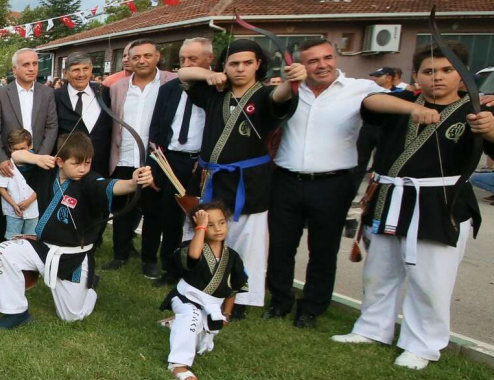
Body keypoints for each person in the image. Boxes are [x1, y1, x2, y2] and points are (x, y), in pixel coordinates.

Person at [333, 41, 494, 369]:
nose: (438, 78)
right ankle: (373, 328)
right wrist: (412, 109)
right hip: (391, 197)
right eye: (429, 71)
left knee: (430, 279)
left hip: (440, 201)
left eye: (447, 70)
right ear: (416, 75)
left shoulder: (474, 110)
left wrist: (491, 128)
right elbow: (371, 103)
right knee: (380, 271)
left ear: (463, 76)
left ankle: (423, 344)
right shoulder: (402, 102)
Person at [174, 40, 304, 318]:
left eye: (247, 63)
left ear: (258, 64)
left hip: (249, 181)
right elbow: (183, 75)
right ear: (224, 66)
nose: (240, 69)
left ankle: (238, 298)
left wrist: (291, 82)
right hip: (211, 177)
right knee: (201, 230)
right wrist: (209, 74)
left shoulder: (265, 95)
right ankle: (198, 286)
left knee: (246, 240)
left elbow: (281, 97)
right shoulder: (214, 92)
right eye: (233, 63)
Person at [265, 38, 382, 329]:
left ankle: (312, 307)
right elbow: (271, 104)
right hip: (286, 179)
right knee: (281, 246)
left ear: (335, 58)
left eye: (327, 57)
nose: (322, 65)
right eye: (313, 60)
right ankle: (280, 300)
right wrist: (289, 83)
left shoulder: (360, 89)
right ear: (302, 66)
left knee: (324, 249)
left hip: (333, 182)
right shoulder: (292, 91)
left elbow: (386, 105)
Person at [0, 131, 155, 330]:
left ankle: (91, 286)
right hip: (43, 249)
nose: (83, 169)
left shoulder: (89, 181)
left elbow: (110, 187)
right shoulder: (44, 172)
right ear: (59, 161)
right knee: (4, 251)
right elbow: (16, 156)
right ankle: (16, 312)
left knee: (71, 316)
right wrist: (37, 157)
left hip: (73, 259)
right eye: (76, 163)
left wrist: (132, 182)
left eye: (87, 163)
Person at [105, 39, 174, 276]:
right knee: (122, 210)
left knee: (153, 212)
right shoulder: (118, 88)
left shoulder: (170, 83)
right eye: (136, 57)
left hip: (156, 160)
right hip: (124, 158)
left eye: (147, 56)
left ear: (157, 56)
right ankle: (120, 254)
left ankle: (149, 259)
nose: (141, 61)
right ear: (129, 60)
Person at [147, 37, 213, 283]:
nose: (186, 64)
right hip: (170, 160)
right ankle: (171, 268)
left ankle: (198, 268)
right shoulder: (169, 89)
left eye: (193, 59)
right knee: (170, 218)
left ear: (209, 60)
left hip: (200, 163)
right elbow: (156, 129)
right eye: (183, 59)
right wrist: (155, 165)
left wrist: (205, 160)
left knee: (199, 217)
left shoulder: (215, 90)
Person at [162, 202, 250, 380]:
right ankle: (178, 364)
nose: (217, 229)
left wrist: (226, 313)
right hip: (186, 298)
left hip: (212, 306)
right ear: (198, 228)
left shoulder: (233, 257)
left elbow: (234, 288)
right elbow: (193, 256)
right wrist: (200, 227)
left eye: (221, 223)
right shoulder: (191, 246)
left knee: (201, 338)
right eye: (210, 225)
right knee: (191, 315)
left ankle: (174, 322)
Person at [0, 48, 58, 212]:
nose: (32, 68)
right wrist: (1, 159)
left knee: (37, 207)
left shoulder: (47, 93)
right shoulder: (1, 94)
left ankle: (34, 238)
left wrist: (40, 156)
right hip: (10, 163)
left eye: (35, 64)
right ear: (14, 69)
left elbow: (52, 126)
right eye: (26, 65)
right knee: (12, 209)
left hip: (39, 158)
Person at [55, 52, 113, 177]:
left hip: (100, 165)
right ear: (65, 72)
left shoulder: (104, 92)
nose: (81, 74)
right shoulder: (55, 96)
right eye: (76, 70)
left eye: (85, 69)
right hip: (69, 167)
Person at [0, 128, 40, 238]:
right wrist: (13, 204)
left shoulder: (37, 165)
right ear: (10, 149)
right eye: (15, 149)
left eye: (22, 148)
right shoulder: (6, 166)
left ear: (30, 147)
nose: (19, 152)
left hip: (32, 210)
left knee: (31, 237)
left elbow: (41, 187)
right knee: (13, 238)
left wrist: (29, 201)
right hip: (13, 211)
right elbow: (1, 188)